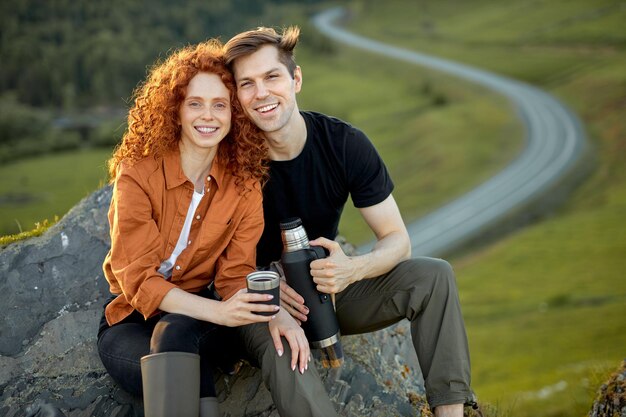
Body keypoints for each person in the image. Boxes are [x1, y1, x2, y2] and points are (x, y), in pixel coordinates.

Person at [224, 26, 478, 417]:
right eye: (247, 84)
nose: (261, 93)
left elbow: (397, 240)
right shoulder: (229, 160)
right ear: (237, 96)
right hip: (258, 302)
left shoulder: (343, 143)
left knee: (434, 277)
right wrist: (269, 296)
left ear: (296, 79)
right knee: (285, 346)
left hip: (328, 291)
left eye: (272, 77)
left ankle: (451, 411)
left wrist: (351, 269)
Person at [96, 39, 277, 417]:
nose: (207, 116)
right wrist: (221, 313)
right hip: (131, 321)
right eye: (195, 103)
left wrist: (254, 310)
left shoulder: (243, 185)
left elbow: (234, 276)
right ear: (175, 110)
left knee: (177, 333)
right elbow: (140, 281)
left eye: (219, 105)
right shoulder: (137, 175)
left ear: (234, 115)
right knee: (172, 351)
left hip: (201, 320)